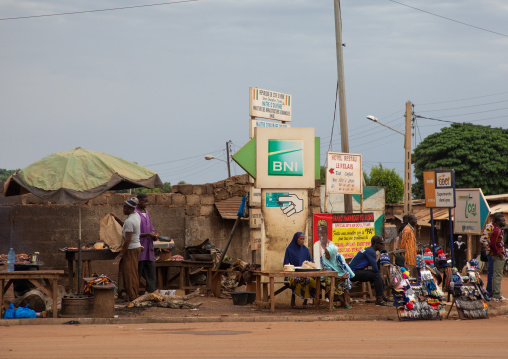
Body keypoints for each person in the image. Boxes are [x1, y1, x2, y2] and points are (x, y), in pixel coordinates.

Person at [112, 198, 142, 302]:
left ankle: (133, 297)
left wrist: (120, 255)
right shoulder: (135, 215)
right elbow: (125, 226)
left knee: (130, 274)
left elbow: (127, 240)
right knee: (132, 272)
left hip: (131, 249)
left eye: (124, 207)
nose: (123, 209)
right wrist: (116, 219)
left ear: (130, 208)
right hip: (135, 247)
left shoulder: (130, 220)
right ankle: (132, 295)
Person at [349, 235, 390, 306]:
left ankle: (382, 296)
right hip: (352, 273)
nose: (382, 246)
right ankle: (379, 299)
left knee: (377, 274)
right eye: (381, 244)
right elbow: (375, 268)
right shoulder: (371, 251)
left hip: (354, 271)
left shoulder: (369, 250)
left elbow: (375, 266)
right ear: (375, 244)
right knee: (377, 275)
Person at [284, 232, 316, 307]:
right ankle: (293, 299)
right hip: (292, 274)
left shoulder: (305, 250)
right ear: (296, 239)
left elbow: (310, 262)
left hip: (305, 274)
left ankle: (305, 300)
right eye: (300, 239)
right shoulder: (289, 249)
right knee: (297, 280)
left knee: (310, 280)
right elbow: (286, 264)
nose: (302, 241)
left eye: (303, 239)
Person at [136, 193, 159, 294]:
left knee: (151, 272)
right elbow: (135, 233)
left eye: (146, 201)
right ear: (139, 201)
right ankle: (134, 292)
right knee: (138, 271)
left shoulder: (147, 212)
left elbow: (151, 227)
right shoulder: (135, 214)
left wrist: (153, 235)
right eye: (144, 201)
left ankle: (150, 292)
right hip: (140, 247)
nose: (146, 203)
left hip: (149, 247)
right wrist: (147, 234)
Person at [320, 244, 354, 308]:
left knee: (346, 280)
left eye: (328, 255)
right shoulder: (323, 258)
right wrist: (338, 276)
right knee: (329, 280)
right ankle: (331, 302)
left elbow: (344, 269)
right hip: (329, 275)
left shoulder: (339, 258)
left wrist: (345, 275)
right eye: (325, 254)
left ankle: (345, 301)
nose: (326, 256)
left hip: (340, 274)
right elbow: (327, 271)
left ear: (332, 254)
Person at [480, 213, 504, 297]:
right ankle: (490, 293)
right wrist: (489, 249)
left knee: (495, 274)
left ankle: (494, 292)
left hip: (496, 252)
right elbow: (483, 239)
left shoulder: (499, 228)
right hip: (492, 253)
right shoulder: (490, 226)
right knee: (492, 273)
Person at [488, 213, 506, 301]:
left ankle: (497, 294)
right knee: (497, 275)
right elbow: (492, 244)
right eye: (503, 221)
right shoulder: (496, 231)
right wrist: (499, 253)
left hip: (500, 255)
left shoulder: (499, 230)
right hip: (498, 256)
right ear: (498, 222)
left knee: (497, 275)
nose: (505, 222)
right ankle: (496, 295)